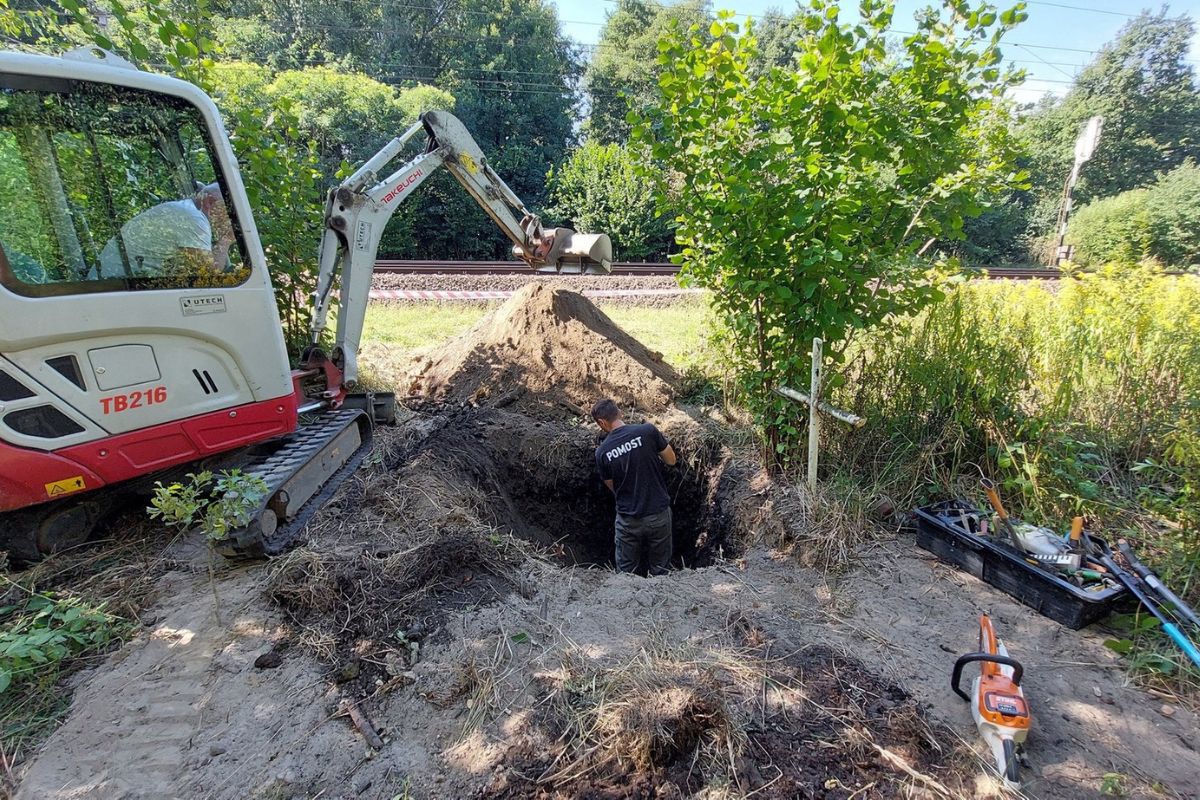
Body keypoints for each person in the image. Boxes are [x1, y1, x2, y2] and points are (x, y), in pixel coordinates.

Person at [592, 398, 678, 576]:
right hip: (658, 514)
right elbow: (671, 460)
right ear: (620, 413)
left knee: (625, 575)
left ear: (601, 422)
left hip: (628, 520)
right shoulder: (647, 431)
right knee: (661, 571)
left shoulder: (602, 452)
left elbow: (613, 487)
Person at [94, 182, 235, 278]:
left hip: (115, 282)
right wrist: (226, 240)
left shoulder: (184, 209)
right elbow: (209, 274)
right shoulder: (193, 218)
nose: (229, 218)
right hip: (115, 284)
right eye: (227, 211)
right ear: (210, 202)